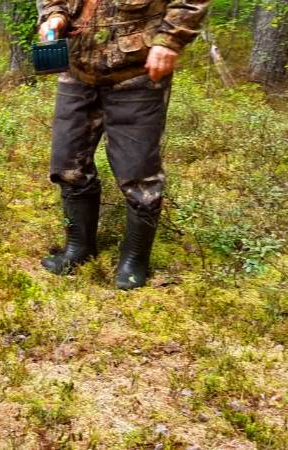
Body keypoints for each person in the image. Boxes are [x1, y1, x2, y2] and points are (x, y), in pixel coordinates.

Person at [37, 0, 209, 289]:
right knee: (67, 164)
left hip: (138, 72)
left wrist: (169, 39)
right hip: (78, 66)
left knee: (138, 171)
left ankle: (134, 259)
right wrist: (54, 15)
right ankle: (78, 248)